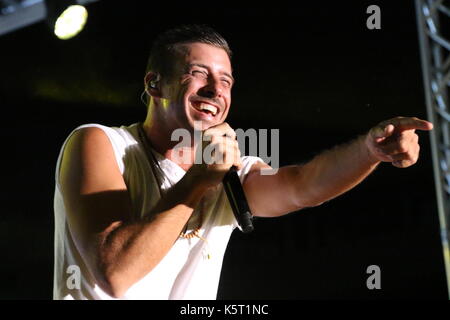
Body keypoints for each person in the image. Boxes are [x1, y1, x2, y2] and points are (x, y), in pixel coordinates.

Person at [53, 24, 433, 300]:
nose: (215, 90)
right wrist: (199, 180)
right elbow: (116, 273)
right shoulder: (101, 142)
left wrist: (370, 150)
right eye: (198, 73)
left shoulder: (227, 172)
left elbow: (303, 186)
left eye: (226, 81)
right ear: (155, 85)